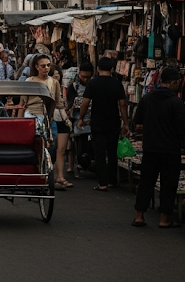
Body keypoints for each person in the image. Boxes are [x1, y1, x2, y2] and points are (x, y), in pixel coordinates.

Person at [133, 66, 185, 228]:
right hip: (170, 150)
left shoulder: (147, 98)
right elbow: (184, 127)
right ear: (172, 82)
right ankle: (164, 219)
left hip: (150, 148)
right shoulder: (176, 102)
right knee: (168, 183)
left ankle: (139, 216)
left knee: (146, 181)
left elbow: (137, 122)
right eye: (177, 82)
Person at [77, 57, 130, 191]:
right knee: (112, 152)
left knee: (99, 152)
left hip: (97, 122)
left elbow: (85, 102)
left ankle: (102, 183)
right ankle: (112, 181)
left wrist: (81, 118)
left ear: (98, 69)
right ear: (112, 69)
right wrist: (125, 123)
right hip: (113, 122)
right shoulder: (117, 83)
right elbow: (122, 104)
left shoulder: (93, 83)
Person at [22, 54, 72, 189]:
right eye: (43, 66)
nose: (46, 68)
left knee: (51, 146)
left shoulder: (54, 83)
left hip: (47, 118)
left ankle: (48, 173)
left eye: (48, 65)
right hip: (31, 115)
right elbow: (23, 103)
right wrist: (19, 121)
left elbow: (58, 103)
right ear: (36, 67)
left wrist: (65, 118)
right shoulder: (29, 81)